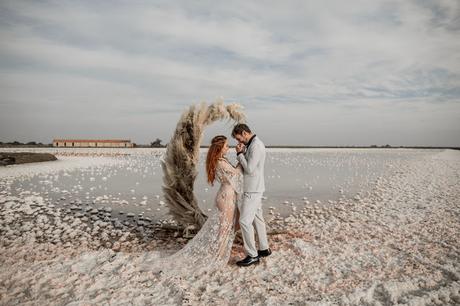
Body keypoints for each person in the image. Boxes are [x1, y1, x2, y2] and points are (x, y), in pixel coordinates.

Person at [140, 135, 243, 277]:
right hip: (226, 196)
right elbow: (236, 172)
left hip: (227, 195)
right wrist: (241, 155)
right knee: (224, 228)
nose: (228, 147)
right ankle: (218, 257)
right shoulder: (220, 162)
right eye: (226, 145)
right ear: (219, 148)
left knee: (226, 227)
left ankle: (220, 254)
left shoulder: (221, 160)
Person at [232, 123, 272, 267]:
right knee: (257, 218)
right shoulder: (253, 144)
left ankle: (252, 255)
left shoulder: (256, 145)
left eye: (238, 139)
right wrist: (243, 152)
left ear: (244, 133)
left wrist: (239, 154)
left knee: (244, 221)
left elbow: (249, 169)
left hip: (253, 189)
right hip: (255, 187)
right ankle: (264, 249)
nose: (239, 142)